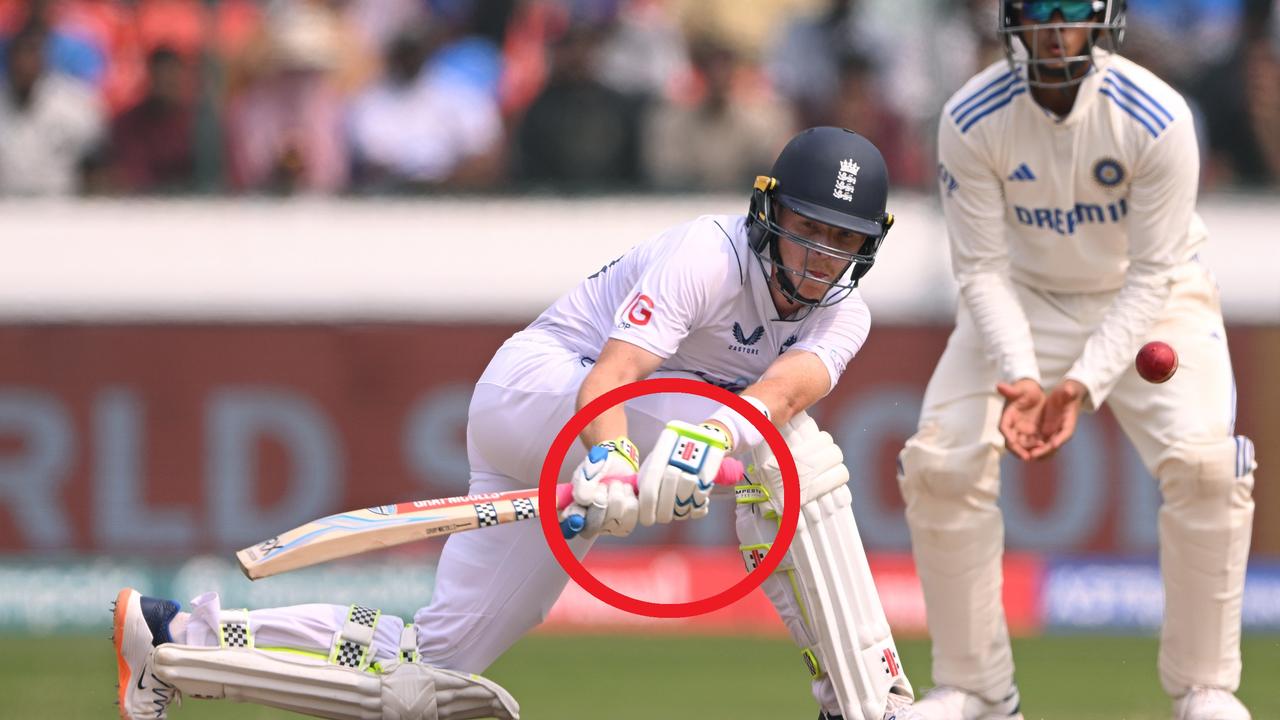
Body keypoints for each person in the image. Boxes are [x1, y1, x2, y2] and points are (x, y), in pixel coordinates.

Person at [112, 127, 916, 720]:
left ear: (865, 248)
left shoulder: (845, 315)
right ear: (767, 213)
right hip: (539, 390)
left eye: (841, 241)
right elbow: (612, 377)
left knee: (427, 675)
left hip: (609, 428)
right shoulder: (707, 255)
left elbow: (778, 393)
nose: (818, 257)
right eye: (807, 228)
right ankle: (867, 703)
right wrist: (610, 459)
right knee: (790, 458)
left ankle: (176, 639)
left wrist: (704, 440)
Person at [895, 2, 1255, 719]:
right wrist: (1025, 375)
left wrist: (1082, 384)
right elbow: (981, 272)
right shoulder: (971, 116)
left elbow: (1153, 273)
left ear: (1105, 19)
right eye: (1037, 10)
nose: (1054, 27)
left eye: (1070, 10)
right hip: (1021, 297)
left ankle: (1204, 689)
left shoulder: (1157, 117)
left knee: (1208, 468)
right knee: (939, 466)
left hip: (1154, 296)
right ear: (1011, 20)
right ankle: (977, 690)